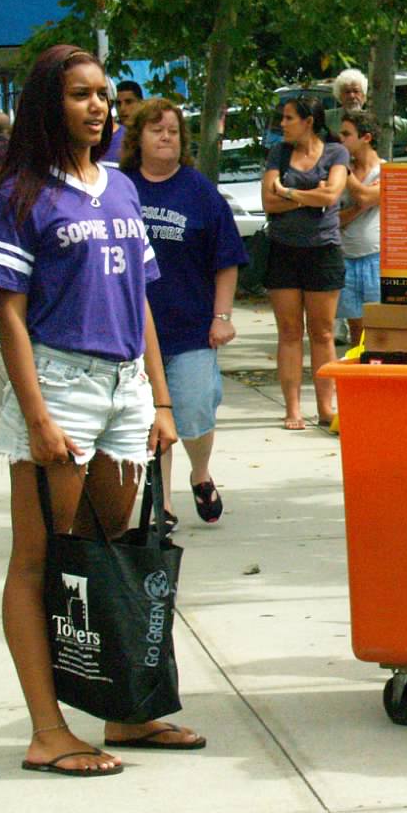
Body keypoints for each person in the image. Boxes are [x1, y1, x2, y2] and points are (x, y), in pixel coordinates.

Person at [0, 43, 206, 777]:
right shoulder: (21, 192)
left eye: (104, 93)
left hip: (124, 389)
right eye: (81, 94)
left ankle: (125, 711)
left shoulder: (119, 187)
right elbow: (8, 314)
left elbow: (137, 295)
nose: (98, 105)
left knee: (116, 550)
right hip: (59, 383)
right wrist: (39, 416)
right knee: (42, 558)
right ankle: (48, 730)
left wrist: (161, 395)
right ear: (52, 103)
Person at [121, 97, 248, 526]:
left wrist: (222, 316)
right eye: (156, 130)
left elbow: (226, 258)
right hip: (135, 331)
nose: (165, 137)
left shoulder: (200, 192)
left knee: (193, 410)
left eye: (173, 131)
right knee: (152, 416)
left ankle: (200, 472)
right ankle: (163, 505)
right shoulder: (120, 189)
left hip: (192, 327)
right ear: (137, 138)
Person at [261, 94, 349, 430]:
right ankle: (293, 409)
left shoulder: (335, 152)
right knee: (289, 331)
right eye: (282, 118)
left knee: (323, 333)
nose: (282, 125)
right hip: (283, 249)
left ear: (309, 122)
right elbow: (268, 200)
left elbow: (332, 196)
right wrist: (308, 199)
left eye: (288, 118)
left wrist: (289, 193)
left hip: (323, 250)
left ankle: (326, 408)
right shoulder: (278, 153)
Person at [335, 109, 383, 348]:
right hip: (347, 257)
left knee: (377, 324)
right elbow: (334, 218)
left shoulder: (385, 171)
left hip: (376, 256)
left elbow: (364, 196)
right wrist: (360, 207)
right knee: (355, 327)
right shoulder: (340, 173)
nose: (341, 140)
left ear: (366, 137)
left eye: (347, 134)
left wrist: (344, 171)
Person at [102, 79, 144, 167]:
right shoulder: (106, 135)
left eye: (129, 102)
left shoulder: (151, 133)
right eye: (118, 103)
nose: (122, 108)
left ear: (141, 103)